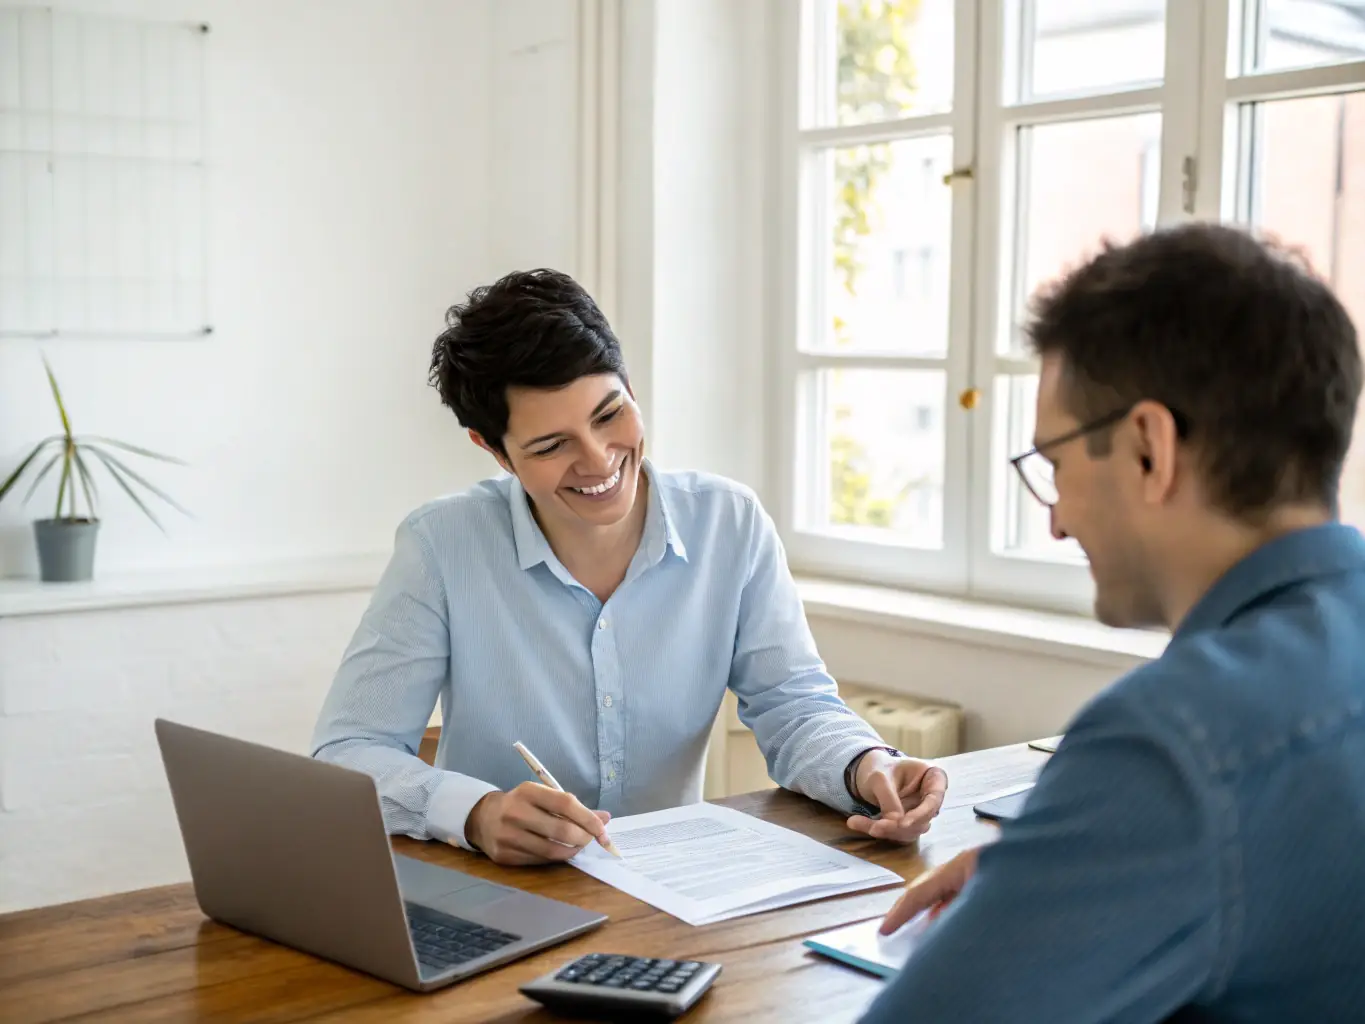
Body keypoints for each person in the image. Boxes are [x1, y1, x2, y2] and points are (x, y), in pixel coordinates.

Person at [861, 222, 1365, 1022]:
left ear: (1147, 448)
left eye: (1054, 464)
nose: (1055, 520)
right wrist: (1065, 871)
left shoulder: (1172, 743)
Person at [311, 268, 947, 865]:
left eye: (610, 414)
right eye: (551, 445)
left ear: (630, 387)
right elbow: (348, 752)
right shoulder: (442, 545)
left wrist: (868, 765)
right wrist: (476, 814)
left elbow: (794, 707)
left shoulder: (730, 522)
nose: (599, 461)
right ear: (495, 452)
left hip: (674, 892)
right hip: (500, 894)